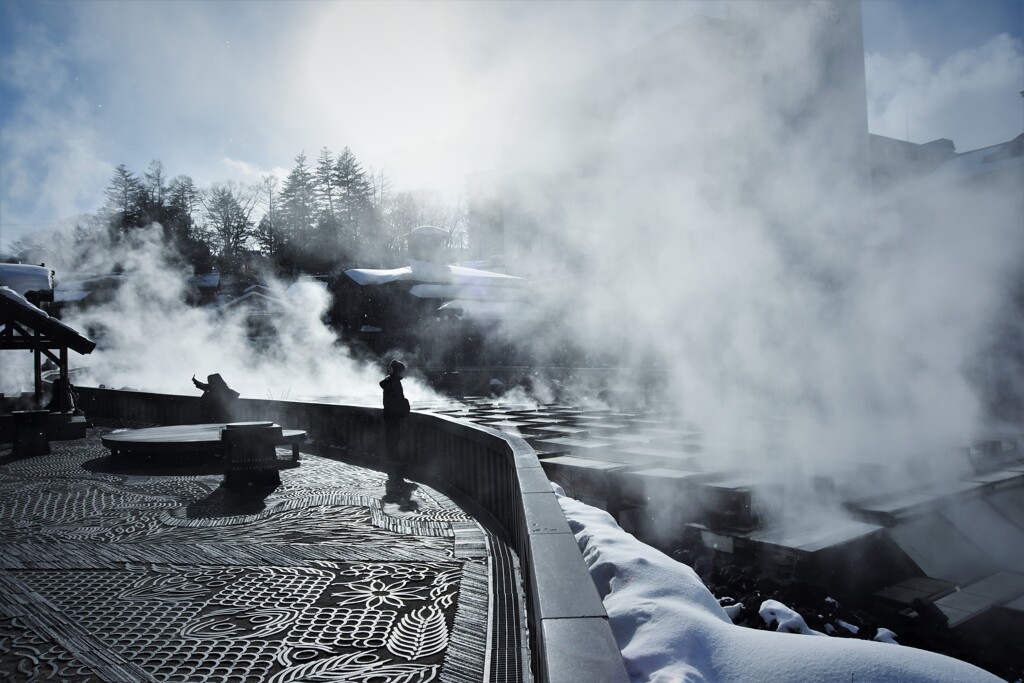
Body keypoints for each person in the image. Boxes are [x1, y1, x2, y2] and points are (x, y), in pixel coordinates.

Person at [379, 359, 411, 495]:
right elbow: (398, 399)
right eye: (403, 371)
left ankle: (391, 461)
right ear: (399, 371)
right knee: (394, 438)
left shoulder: (388, 381)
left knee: (390, 438)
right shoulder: (396, 382)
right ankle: (395, 461)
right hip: (394, 416)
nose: (404, 374)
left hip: (388, 414)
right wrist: (405, 405)